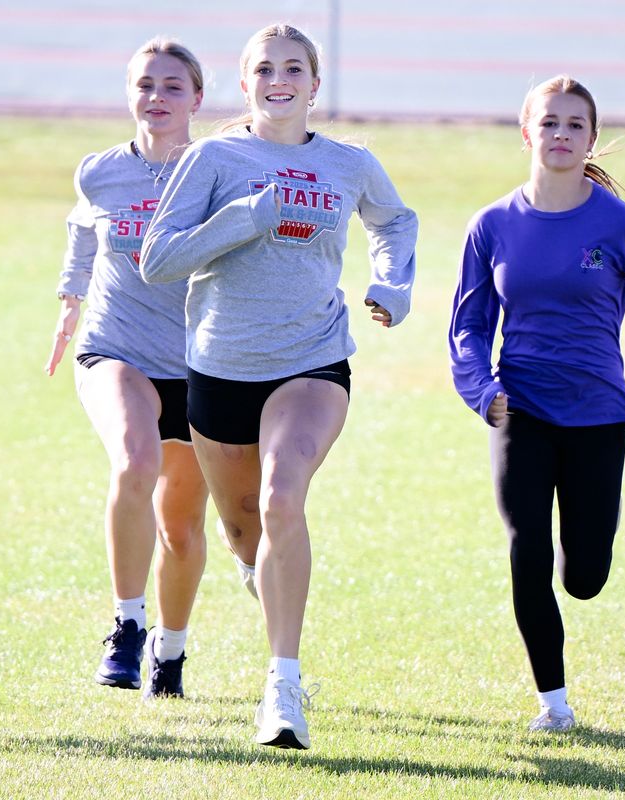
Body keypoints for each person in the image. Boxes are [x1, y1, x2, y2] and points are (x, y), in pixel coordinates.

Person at [140, 24, 417, 749]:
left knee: (282, 497)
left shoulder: (349, 163)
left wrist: (393, 282)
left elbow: (395, 219)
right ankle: (255, 569)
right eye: (264, 68)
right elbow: (158, 259)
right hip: (222, 372)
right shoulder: (212, 160)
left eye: (293, 67)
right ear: (245, 84)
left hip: (313, 361)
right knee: (243, 531)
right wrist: (242, 219)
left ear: (315, 84)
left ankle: (283, 689)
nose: (279, 78)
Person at [448, 75, 625, 732]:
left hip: (598, 416)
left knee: (584, 575)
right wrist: (483, 390)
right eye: (549, 123)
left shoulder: (622, 226)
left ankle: (578, 564)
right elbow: (468, 327)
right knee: (526, 549)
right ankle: (553, 704)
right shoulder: (492, 225)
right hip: (518, 410)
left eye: (574, 125)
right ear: (527, 133)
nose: (560, 135)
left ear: (590, 138)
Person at [45, 38, 210, 699]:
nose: (158, 97)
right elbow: (83, 228)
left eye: (173, 86)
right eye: (145, 85)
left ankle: (170, 655)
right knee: (134, 462)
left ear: (197, 98)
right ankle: (126, 628)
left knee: (182, 523)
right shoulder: (101, 170)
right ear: (129, 93)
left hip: (201, 368)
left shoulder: (219, 171)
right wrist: (69, 300)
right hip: (116, 347)